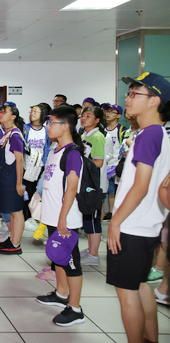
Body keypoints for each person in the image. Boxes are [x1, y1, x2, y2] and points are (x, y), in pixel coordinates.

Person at [107, 72, 170, 343]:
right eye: (128, 93)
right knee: (141, 285)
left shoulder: (149, 135)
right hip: (147, 225)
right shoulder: (158, 134)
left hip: (131, 227)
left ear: (155, 101)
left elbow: (141, 187)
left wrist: (115, 222)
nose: (128, 98)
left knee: (127, 292)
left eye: (135, 94)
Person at [36, 105, 85, 326]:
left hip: (65, 219)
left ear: (66, 126)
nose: (48, 126)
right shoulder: (55, 150)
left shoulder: (72, 153)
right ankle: (61, 293)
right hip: (54, 216)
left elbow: (72, 188)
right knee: (59, 259)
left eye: (52, 123)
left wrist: (63, 218)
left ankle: (75, 309)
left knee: (72, 264)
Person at [0, 104, 26, 254]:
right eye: (0, 111)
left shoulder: (15, 135)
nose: (1, 113)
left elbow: (19, 160)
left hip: (12, 178)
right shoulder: (5, 133)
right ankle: (12, 238)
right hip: (4, 178)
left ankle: (16, 244)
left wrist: (19, 183)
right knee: (11, 211)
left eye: (5, 112)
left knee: (17, 211)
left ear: (13, 116)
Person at [79, 106, 107, 266]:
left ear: (97, 120)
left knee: (94, 219)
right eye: (83, 115)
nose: (83, 118)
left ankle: (94, 255)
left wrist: (79, 162)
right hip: (86, 183)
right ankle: (90, 250)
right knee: (88, 219)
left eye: (88, 116)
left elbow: (98, 162)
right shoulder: (84, 135)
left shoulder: (97, 137)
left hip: (95, 185)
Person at [23, 103, 51, 230]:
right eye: (32, 111)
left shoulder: (46, 130)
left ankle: (34, 217)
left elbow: (47, 147)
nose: (32, 114)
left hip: (40, 166)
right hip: (27, 166)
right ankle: (24, 216)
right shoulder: (25, 128)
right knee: (26, 192)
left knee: (37, 192)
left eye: (36, 111)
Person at [103, 104, 124, 220]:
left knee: (117, 190)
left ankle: (117, 213)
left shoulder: (121, 130)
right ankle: (110, 212)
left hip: (117, 165)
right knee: (109, 190)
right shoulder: (103, 129)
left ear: (119, 116)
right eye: (108, 111)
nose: (108, 114)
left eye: (112, 112)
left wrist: (118, 164)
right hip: (105, 164)